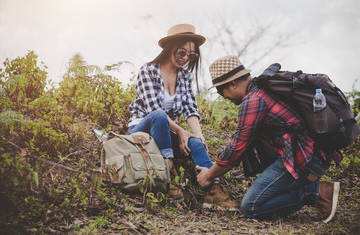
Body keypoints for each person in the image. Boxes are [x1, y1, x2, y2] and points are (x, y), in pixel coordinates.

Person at [196, 55, 342, 222]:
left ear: (233, 84)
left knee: (251, 207)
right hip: (308, 153)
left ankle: (316, 192)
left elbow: (236, 149)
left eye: (221, 91)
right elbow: (240, 141)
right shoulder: (262, 90)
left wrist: (209, 175)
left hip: (301, 156)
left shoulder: (254, 100)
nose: (224, 97)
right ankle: (308, 188)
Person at [127, 24, 239, 210]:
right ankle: (169, 174)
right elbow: (153, 109)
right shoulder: (148, 71)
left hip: (164, 132)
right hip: (142, 131)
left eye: (191, 55)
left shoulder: (185, 77)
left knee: (194, 143)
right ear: (170, 48)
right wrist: (180, 131)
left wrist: (198, 136)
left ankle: (214, 190)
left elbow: (190, 109)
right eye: (182, 53)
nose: (186, 58)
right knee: (159, 114)